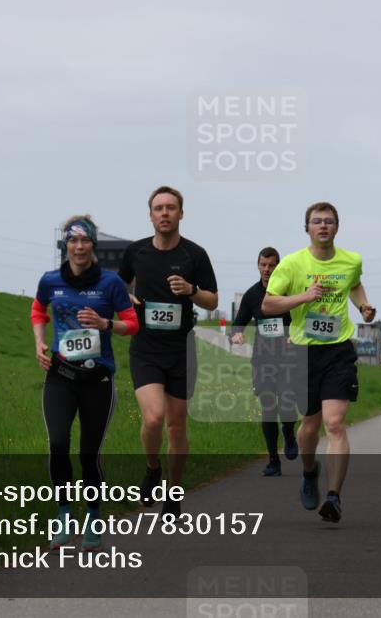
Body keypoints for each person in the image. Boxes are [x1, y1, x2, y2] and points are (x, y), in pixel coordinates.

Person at [31, 215, 139, 552]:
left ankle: (93, 516)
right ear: (66, 244)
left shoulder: (110, 284)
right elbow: (38, 311)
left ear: (93, 245)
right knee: (58, 443)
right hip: (61, 375)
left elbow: (132, 324)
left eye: (85, 241)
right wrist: (39, 343)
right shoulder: (50, 280)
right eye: (73, 241)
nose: (79, 247)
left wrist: (106, 323)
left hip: (98, 379)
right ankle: (64, 515)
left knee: (89, 453)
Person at [263, 201, 376, 523]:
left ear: (336, 227)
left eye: (328, 221)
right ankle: (309, 470)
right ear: (307, 228)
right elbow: (269, 304)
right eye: (317, 221)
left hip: (338, 349)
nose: (323, 226)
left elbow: (353, 284)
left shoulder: (351, 260)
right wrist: (304, 297)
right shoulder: (292, 265)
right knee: (308, 428)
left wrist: (364, 306)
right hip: (303, 351)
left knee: (335, 423)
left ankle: (334, 496)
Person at [119, 186, 218, 517]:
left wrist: (191, 290)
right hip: (146, 349)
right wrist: (127, 298)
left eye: (170, 208)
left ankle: (174, 494)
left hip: (181, 350)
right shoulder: (135, 253)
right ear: (150, 215)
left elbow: (213, 300)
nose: (164, 213)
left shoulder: (195, 255)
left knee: (177, 426)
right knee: (153, 417)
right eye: (158, 208)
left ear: (180, 214)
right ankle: (152, 468)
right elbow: (116, 286)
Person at [230, 247, 298, 477]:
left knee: (287, 402)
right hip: (263, 359)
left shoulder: (289, 292)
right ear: (258, 265)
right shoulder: (251, 295)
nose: (267, 269)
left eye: (272, 265)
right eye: (263, 265)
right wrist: (237, 334)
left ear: (279, 266)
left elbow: (302, 320)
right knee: (268, 409)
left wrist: (293, 334)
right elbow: (238, 323)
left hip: (288, 359)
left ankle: (288, 431)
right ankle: (273, 461)